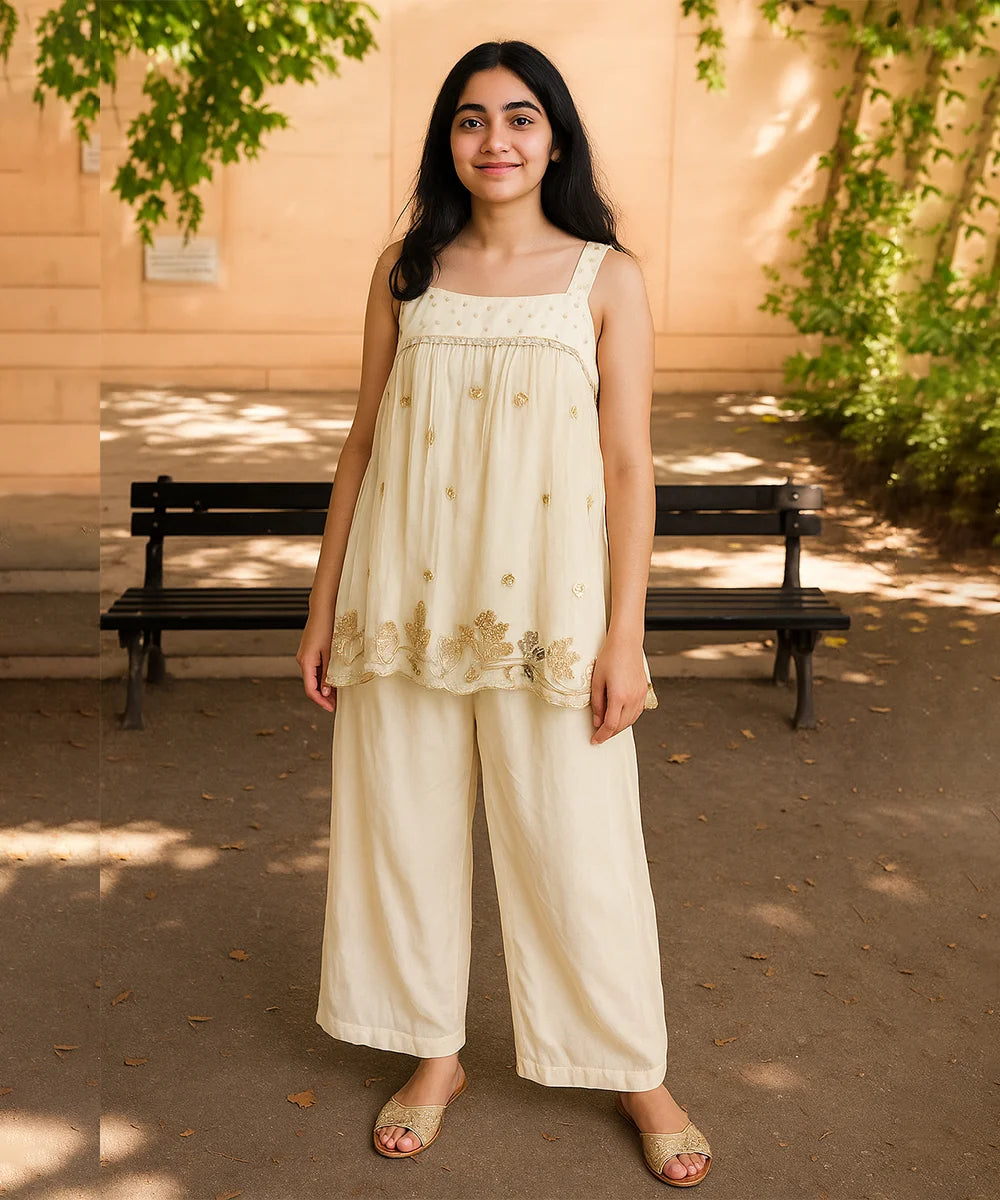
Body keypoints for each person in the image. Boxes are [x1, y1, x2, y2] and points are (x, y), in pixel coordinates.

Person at [296, 38, 713, 1189]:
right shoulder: (405, 270)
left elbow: (629, 466)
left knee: (577, 849)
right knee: (402, 839)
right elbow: (364, 444)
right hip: (402, 602)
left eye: (520, 118)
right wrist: (323, 604)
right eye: (471, 119)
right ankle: (436, 1055)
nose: (495, 140)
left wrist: (625, 636)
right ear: (448, 141)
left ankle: (634, 1069)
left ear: (556, 138)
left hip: (554, 614)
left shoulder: (604, 277)